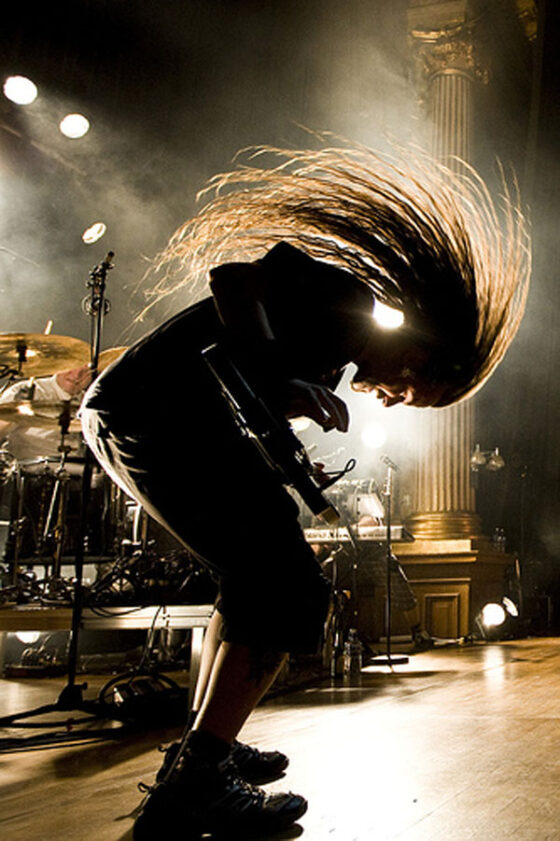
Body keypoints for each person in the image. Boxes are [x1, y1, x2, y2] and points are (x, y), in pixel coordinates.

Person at [79, 143, 530, 839]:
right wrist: (282, 382)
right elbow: (232, 279)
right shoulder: (349, 303)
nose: (393, 399)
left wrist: (288, 458)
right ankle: (200, 773)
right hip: (147, 413)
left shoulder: (333, 349)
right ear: (414, 354)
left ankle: (205, 752)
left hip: (149, 416)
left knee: (256, 574)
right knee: (290, 587)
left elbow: (240, 387)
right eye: (411, 391)